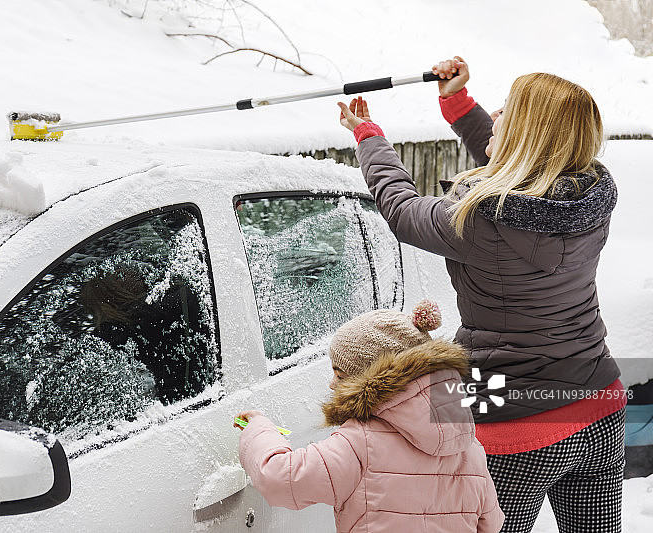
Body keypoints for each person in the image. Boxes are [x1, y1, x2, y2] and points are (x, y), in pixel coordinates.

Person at [337, 57, 626, 533]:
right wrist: (458, 103)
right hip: (598, 406)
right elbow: (522, 170)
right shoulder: (590, 199)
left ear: (526, 134)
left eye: (505, 110)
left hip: (514, 427)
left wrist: (369, 136)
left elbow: (403, 209)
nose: (495, 115)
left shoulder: (476, 221)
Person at [235, 302, 504, 533]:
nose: (332, 384)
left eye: (340, 375)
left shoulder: (358, 443)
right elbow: (491, 522)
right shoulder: (468, 444)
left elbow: (280, 479)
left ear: (371, 381)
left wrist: (259, 429)